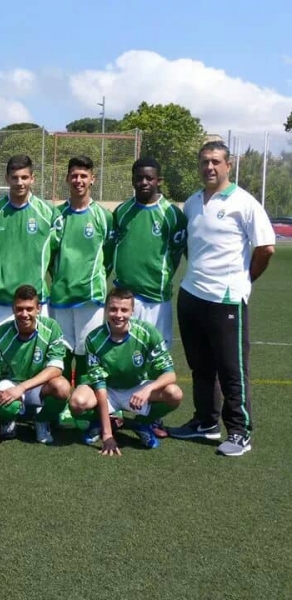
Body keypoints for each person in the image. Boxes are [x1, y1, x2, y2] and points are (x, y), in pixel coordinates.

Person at [167, 141, 275, 457]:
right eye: (204, 162)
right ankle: (205, 422)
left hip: (226, 299)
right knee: (200, 367)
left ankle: (240, 432)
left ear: (228, 165)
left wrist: (245, 279)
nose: (209, 167)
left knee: (231, 369)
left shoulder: (244, 203)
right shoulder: (191, 203)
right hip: (191, 295)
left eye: (215, 161)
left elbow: (265, 248)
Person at [69, 288, 183, 455]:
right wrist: (107, 435)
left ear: (132, 311)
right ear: (106, 310)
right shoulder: (94, 339)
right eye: (113, 309)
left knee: (174, 393)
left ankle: (143, 423)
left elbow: (170, 373)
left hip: (136, 388)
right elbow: (99, 385)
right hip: (107, 390)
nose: (118, 315)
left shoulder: (147, 333)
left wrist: (148, 389)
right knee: (77, 402)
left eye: (124, 310)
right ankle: (99, 422)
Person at [49, 156, 114, 384]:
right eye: (74, 176)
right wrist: (60, 278)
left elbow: (110, 253)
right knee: (62, 352)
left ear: (92, 179)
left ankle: (83, 406)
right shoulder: (56, 215)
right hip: (61, 294)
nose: (78, 180)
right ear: (67, 178)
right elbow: (49, 255)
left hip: (91, 296)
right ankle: (63, 403)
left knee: (88, 351)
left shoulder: (103, 216)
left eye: (83, 176)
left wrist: (94, 277)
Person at [0, 155, 62, 330]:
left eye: (24, 177)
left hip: (35, 297)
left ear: (32, 178)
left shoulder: (48, 212)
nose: (19, 182)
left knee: (36, 352)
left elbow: (55, 249)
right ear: (7, 178)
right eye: (15, 177)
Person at [0, 285, 71, 447]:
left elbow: (56, 368)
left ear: (38, 308)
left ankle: (41, 420)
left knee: (63, 387)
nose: (24, 314)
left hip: (37, 386)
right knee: (4, 403)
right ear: (13, 309)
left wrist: (22, 388)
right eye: (19, 309)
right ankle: (7, 420)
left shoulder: (51, 328)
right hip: (9, 382)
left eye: (29, 309)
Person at [112, 157, 187, 349]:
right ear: (132, 180)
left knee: (157, 354)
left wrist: (161, 277)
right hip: (125, 298)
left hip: (156, 299)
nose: (143, 182)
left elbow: (177, 254)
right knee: (124, 353)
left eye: (149, 178)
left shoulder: (171, 214)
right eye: (139, 178)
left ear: (158, 180)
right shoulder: (122, 211)